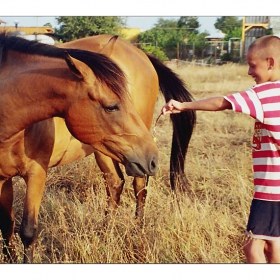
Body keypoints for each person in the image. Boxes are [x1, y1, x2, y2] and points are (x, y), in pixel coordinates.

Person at [161, 35, 280, 263]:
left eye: (253, 65)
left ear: (271, 63)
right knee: (273, 243)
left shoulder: (264, 94)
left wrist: (183, 105)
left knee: (252, 248)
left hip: (271, 190)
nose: (249, 72)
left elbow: (222, 102)